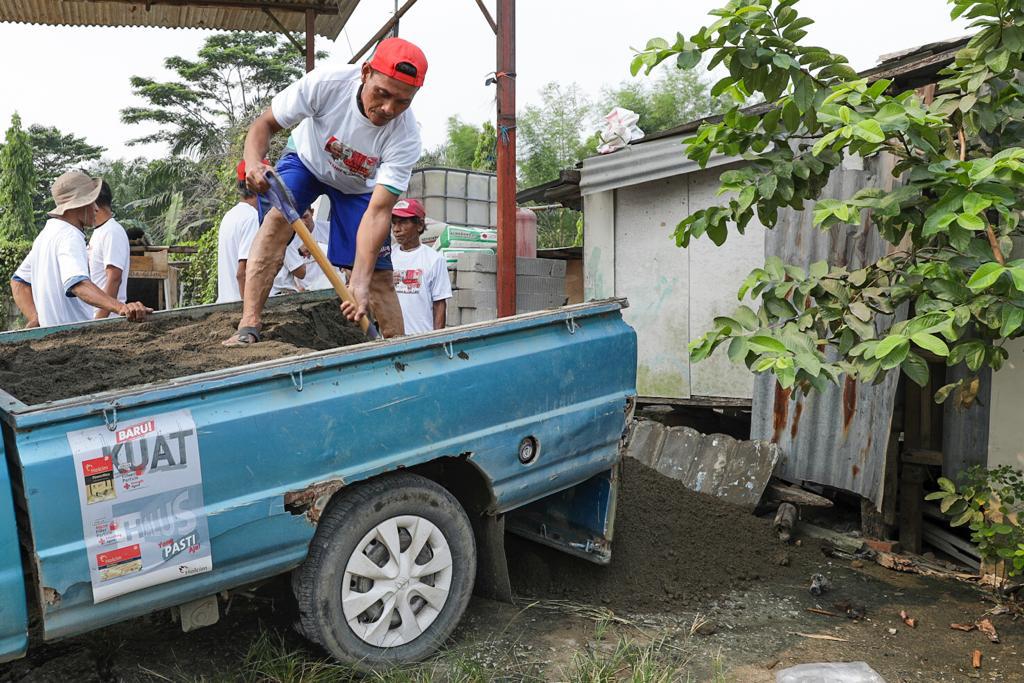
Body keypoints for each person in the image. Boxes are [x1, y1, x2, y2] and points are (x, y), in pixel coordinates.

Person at [224, 37, 428, 345]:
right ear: (365, 72)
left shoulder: (407, 136)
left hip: (359, 188)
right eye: (382, 94)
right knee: (277, 220)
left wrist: (358, 282)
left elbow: (379, 211)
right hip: (307, 162)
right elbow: (263, 124)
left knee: (379, 276)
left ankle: (398, 349)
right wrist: (253, 163)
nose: (388, 108)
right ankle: (249, 324)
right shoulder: (327, 83)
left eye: (403, 102)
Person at [11, 171, 151, 327]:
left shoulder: (45, 235)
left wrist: (35, 318)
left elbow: (18, 282)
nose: (96, 209)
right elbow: (78, 285)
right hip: (76, 334)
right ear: (77, 205)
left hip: (51, 337)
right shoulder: (70, 236)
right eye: (91, 202)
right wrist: (121, 307)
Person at [390, 199, 451, 334]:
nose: (396, 229)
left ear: (419, 225)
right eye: (394, 223)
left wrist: (436, 340)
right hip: (390, 340)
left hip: (420, 339)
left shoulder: (434, 260)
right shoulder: (388, 258)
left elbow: (439, 304)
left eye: (403, 222)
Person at [215, 161, 262, 304]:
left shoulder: (230, 215)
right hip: (240, 304)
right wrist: (248, 310)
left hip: (225, 302)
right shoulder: (252, 218)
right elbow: (242, 273)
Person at [88, 181, 131, 318]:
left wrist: (99, 320)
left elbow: (114, 278)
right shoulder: (100, 231)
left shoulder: (112, 232)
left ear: (93, 201)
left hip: (107, 319)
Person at [270, 210, 311, 296]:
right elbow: (301, 272)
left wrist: (299, 252)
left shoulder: (267, 234)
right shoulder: (285, 237)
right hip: (281, 296)